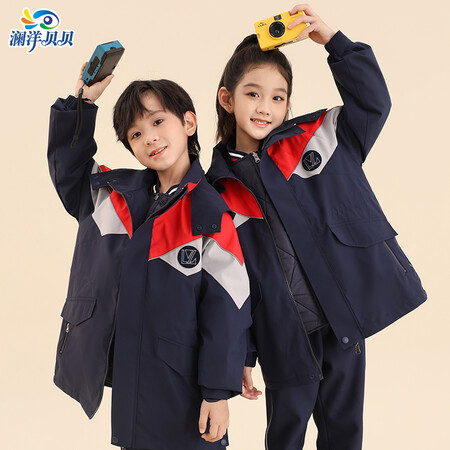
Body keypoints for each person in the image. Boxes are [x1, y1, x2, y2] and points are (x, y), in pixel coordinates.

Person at [206, 4, 427, 449]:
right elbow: (230, 283)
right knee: (284, 436)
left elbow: (373, 102)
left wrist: (334, 43)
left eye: (278, 97)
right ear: (227, 99)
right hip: (282, 337)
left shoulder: (321, 136)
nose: (265, 108)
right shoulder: (215, 190)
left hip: (342, 324)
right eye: (253, 94)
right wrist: (245, 352)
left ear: (289, 102)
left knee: (344, 433)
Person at [48, 65, 251, 450]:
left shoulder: (209, 213)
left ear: (188, 122)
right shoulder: (112, 195)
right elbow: (70, 170)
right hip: (133, 376)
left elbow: (227, 308)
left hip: (183, 382)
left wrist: (218, 392)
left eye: (158, 121)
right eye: (136, 134)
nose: (150, 138)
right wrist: (81, 103)